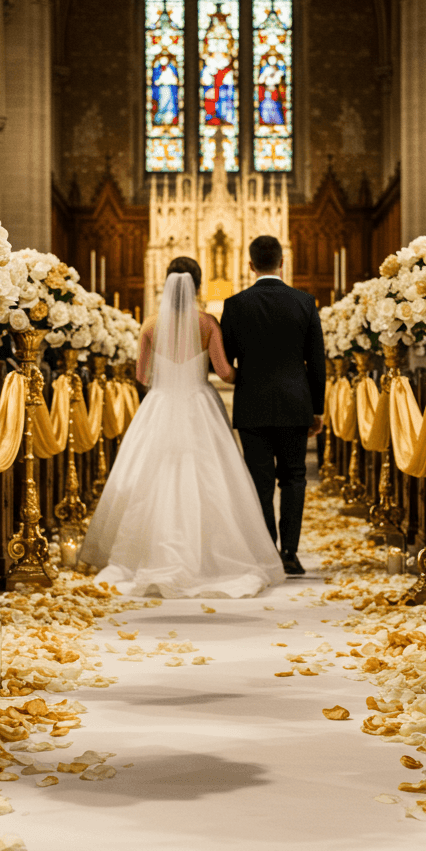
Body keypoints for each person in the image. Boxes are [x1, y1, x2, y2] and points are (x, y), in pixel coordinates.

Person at [78, 256, 285, 598]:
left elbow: (141, 377)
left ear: (166, 282)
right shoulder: (207, 324)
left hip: (159, 405)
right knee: (211, 477)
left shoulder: (149, 325)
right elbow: (224, 372)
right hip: (199, 406)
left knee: (151, 477)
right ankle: (211, 557)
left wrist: (165, 378)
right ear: (198, 285)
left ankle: (145, 552)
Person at [220, 235, 326, 576]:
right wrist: (318, 408)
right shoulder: (304, 302)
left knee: (260, 481)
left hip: (251, 405)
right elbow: (317, 361)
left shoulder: (235, 304)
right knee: (294, 479)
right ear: (283, 263)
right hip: (296, 405)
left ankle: (268, 554)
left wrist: (249, 374)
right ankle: (290, 554)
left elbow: (225, 360)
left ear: (249, 265)